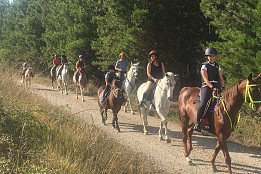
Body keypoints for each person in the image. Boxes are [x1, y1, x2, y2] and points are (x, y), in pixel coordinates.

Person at [194, 47, 225, 132]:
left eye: (213, 56)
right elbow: (205, 78)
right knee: (204, 103)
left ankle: (214, 124)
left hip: (216, 86)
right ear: (207, 57)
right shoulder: (204, 66)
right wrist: (212, 87)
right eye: (209, 56)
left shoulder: (217, 66)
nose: (211, 58)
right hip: (207, 86)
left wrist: (223, 88)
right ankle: (198, 123)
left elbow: (221, 78)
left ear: (215, 57)